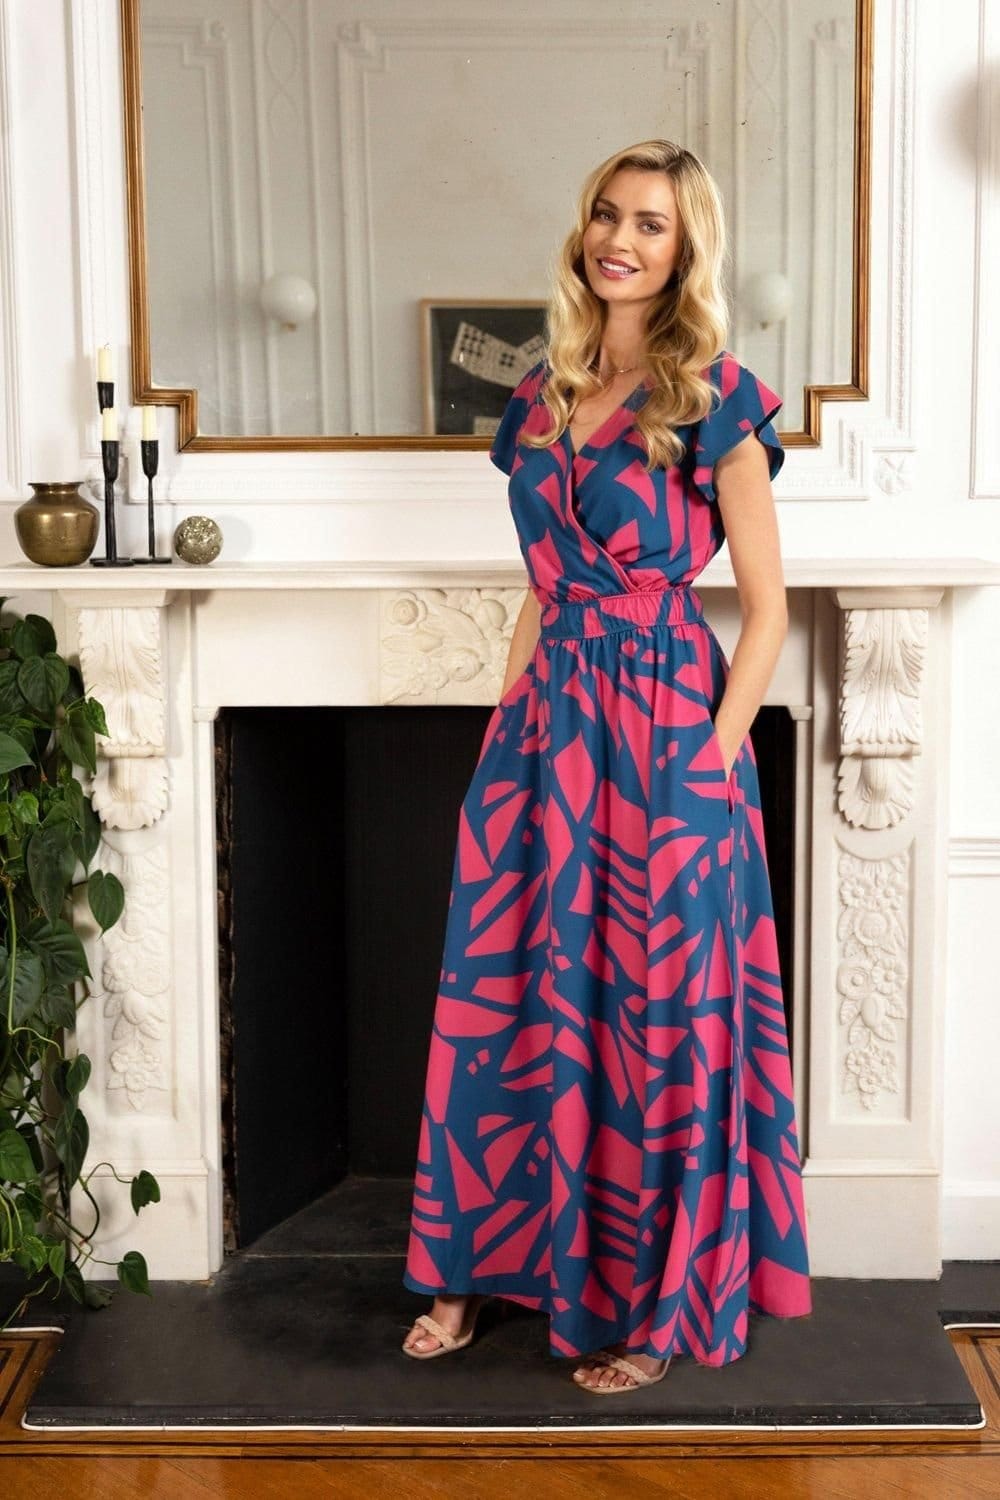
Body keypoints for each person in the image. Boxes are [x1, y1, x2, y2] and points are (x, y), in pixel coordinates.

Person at [401, 139, 812, 1394]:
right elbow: (541, 588)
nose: (619, 239)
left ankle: (658, 1306)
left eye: (650, 223)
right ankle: (469, 1271)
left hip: (668, 729)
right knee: (509, 999)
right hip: (545, 733)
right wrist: (501, 730)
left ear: (685, 250)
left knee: (657, 1015)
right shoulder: (539, 396)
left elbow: (766, 610)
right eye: (606, 215)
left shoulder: (716, 396)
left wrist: (710, 760)